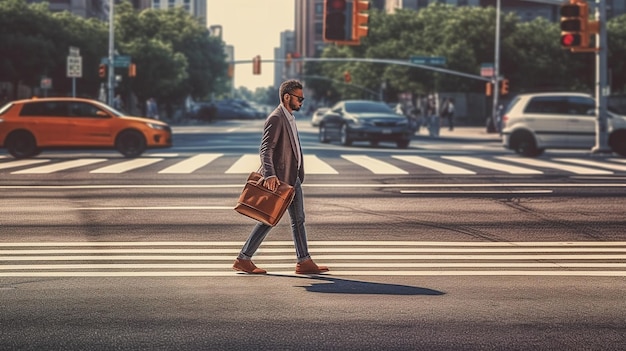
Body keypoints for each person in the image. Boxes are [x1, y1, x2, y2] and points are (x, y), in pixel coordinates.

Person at [233, 79, 329, 275]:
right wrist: (269, 175)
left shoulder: (290, 117)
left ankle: (304, 261)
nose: (302, 102)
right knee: (269, 218)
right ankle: (243, 258)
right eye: (299, 98)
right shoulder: (276, 118)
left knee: (298, 219)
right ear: (287, 97)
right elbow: (266, 149)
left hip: (292, 177)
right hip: (280, 179)